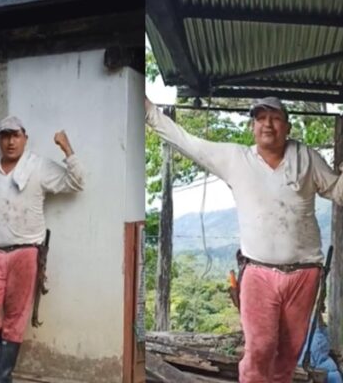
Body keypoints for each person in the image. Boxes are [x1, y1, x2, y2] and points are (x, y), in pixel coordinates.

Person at [145, 96, 343, 383]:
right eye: (260, 118)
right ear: (252, 126)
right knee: (259, 350)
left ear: (287, 126)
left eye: (274, 117)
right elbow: (187, 141)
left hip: (304, 274)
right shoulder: (236, 159)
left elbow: (336, 190)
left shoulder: (306, 158)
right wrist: (150, 112)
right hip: (258, 272)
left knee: (288, 355)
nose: (267, 124)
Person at [0, 116, 84, 383]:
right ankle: (1, 373)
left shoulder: (39, 166)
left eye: (16, 135)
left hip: (26, 251)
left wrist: (68, 150)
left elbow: (76, 183)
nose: (10, 141)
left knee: (15, 316)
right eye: (5, 136)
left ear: (25, 138)